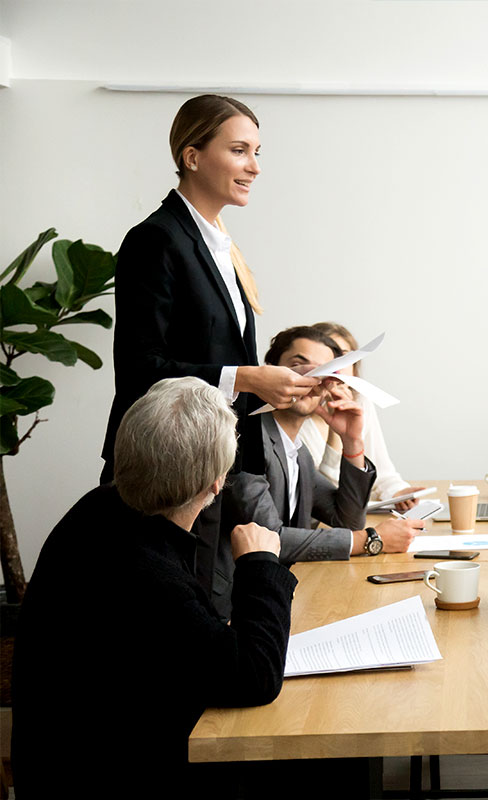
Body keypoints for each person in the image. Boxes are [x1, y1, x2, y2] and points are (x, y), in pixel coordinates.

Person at [14, 378, 296, 797]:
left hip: (60, 762)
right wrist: (259, 564)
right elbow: (254, 677)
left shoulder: (98, 508)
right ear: (217, 482)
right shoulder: (149, 575)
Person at [100, 94, 319, 614]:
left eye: (258, 152)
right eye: (240, 150)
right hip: (164, 472)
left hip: (213, 466)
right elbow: (138, 370)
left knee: (209, 612)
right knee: (163, 624)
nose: (254, 167)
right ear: (192, 156)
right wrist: (246, 377)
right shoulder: (155, 240)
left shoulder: (221, 245)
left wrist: (272, 386)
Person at [231, 326, 423, 561]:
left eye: (324, 372)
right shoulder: (245, 441)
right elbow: (269, 539)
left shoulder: (298, 452)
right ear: (271, 373)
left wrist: (351, 441)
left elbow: (347, 520)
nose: (311, 379)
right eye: (297, 366)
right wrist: (371, 539)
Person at [296, 321, 424, 510]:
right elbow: (321, 496)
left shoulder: (361, 403)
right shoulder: (298, 413)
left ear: (355, 369)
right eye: (330, 360)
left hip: (355, 514)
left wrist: (398, 492)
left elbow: (382, 471)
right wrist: (337, 434)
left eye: (345, 359)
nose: (337, 369)